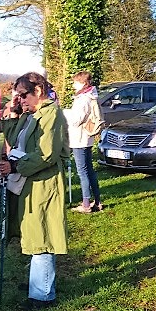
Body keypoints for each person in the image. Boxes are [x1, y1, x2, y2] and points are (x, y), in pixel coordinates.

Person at [1, 72, 69, 311]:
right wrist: (13, 114)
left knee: (42, 236)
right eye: (18, 96)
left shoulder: (52, 114)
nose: (20, 99)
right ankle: (38, 284)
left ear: (38, 91)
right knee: (33, 232)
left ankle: (42, 295)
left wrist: (16, 166)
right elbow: (14, 139)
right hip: (29, 181)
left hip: (44, 183)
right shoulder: (30, 114)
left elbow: (46, 154)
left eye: (23, 95)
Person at [64, 70, 102, 213]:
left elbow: (76, 120)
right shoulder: (91, 96)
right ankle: (97, 201)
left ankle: (86, 204)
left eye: (75, 82)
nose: (73, 85)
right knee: (89, 170)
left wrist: (63, 113)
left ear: (82, 83)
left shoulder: (83, 99)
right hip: (86, 138)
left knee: (82, 171)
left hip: (79, 139)